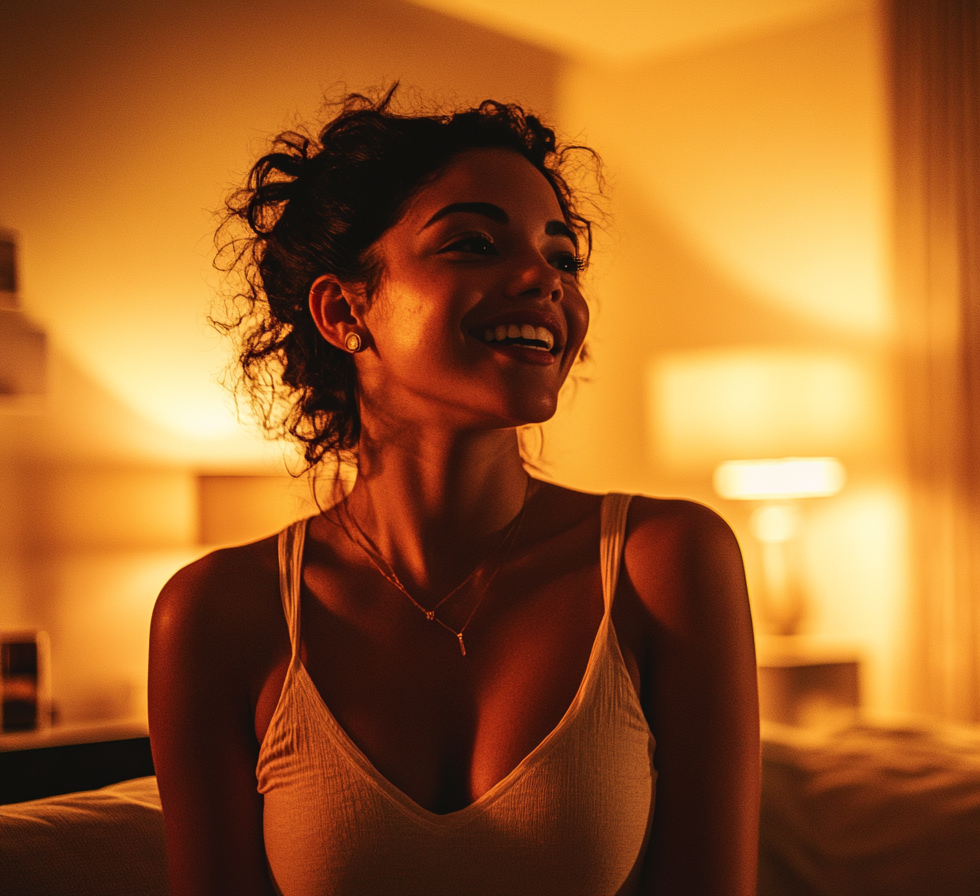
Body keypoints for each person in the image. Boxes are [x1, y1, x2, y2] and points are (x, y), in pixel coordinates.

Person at [147, 90, 760, 896]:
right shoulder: (216, 613)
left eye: (562, 256)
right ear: (342, 310)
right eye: (473, 243)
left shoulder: (667, 563)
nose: (545, 281)